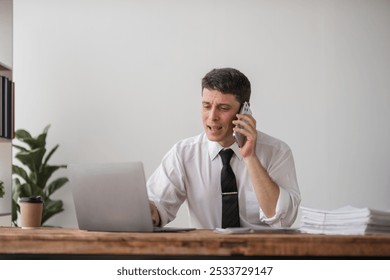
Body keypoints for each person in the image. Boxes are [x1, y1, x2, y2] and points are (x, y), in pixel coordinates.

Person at [147, 68, 301, 229]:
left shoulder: (277, 152)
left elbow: (282, 220)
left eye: (223, 108)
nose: (212, 116)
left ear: (244, 110)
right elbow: (157, 206)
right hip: (207, 251)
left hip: (260, 252)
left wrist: (250, 157)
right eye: (206, 106)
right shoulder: (184, 153)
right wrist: (146, 209)